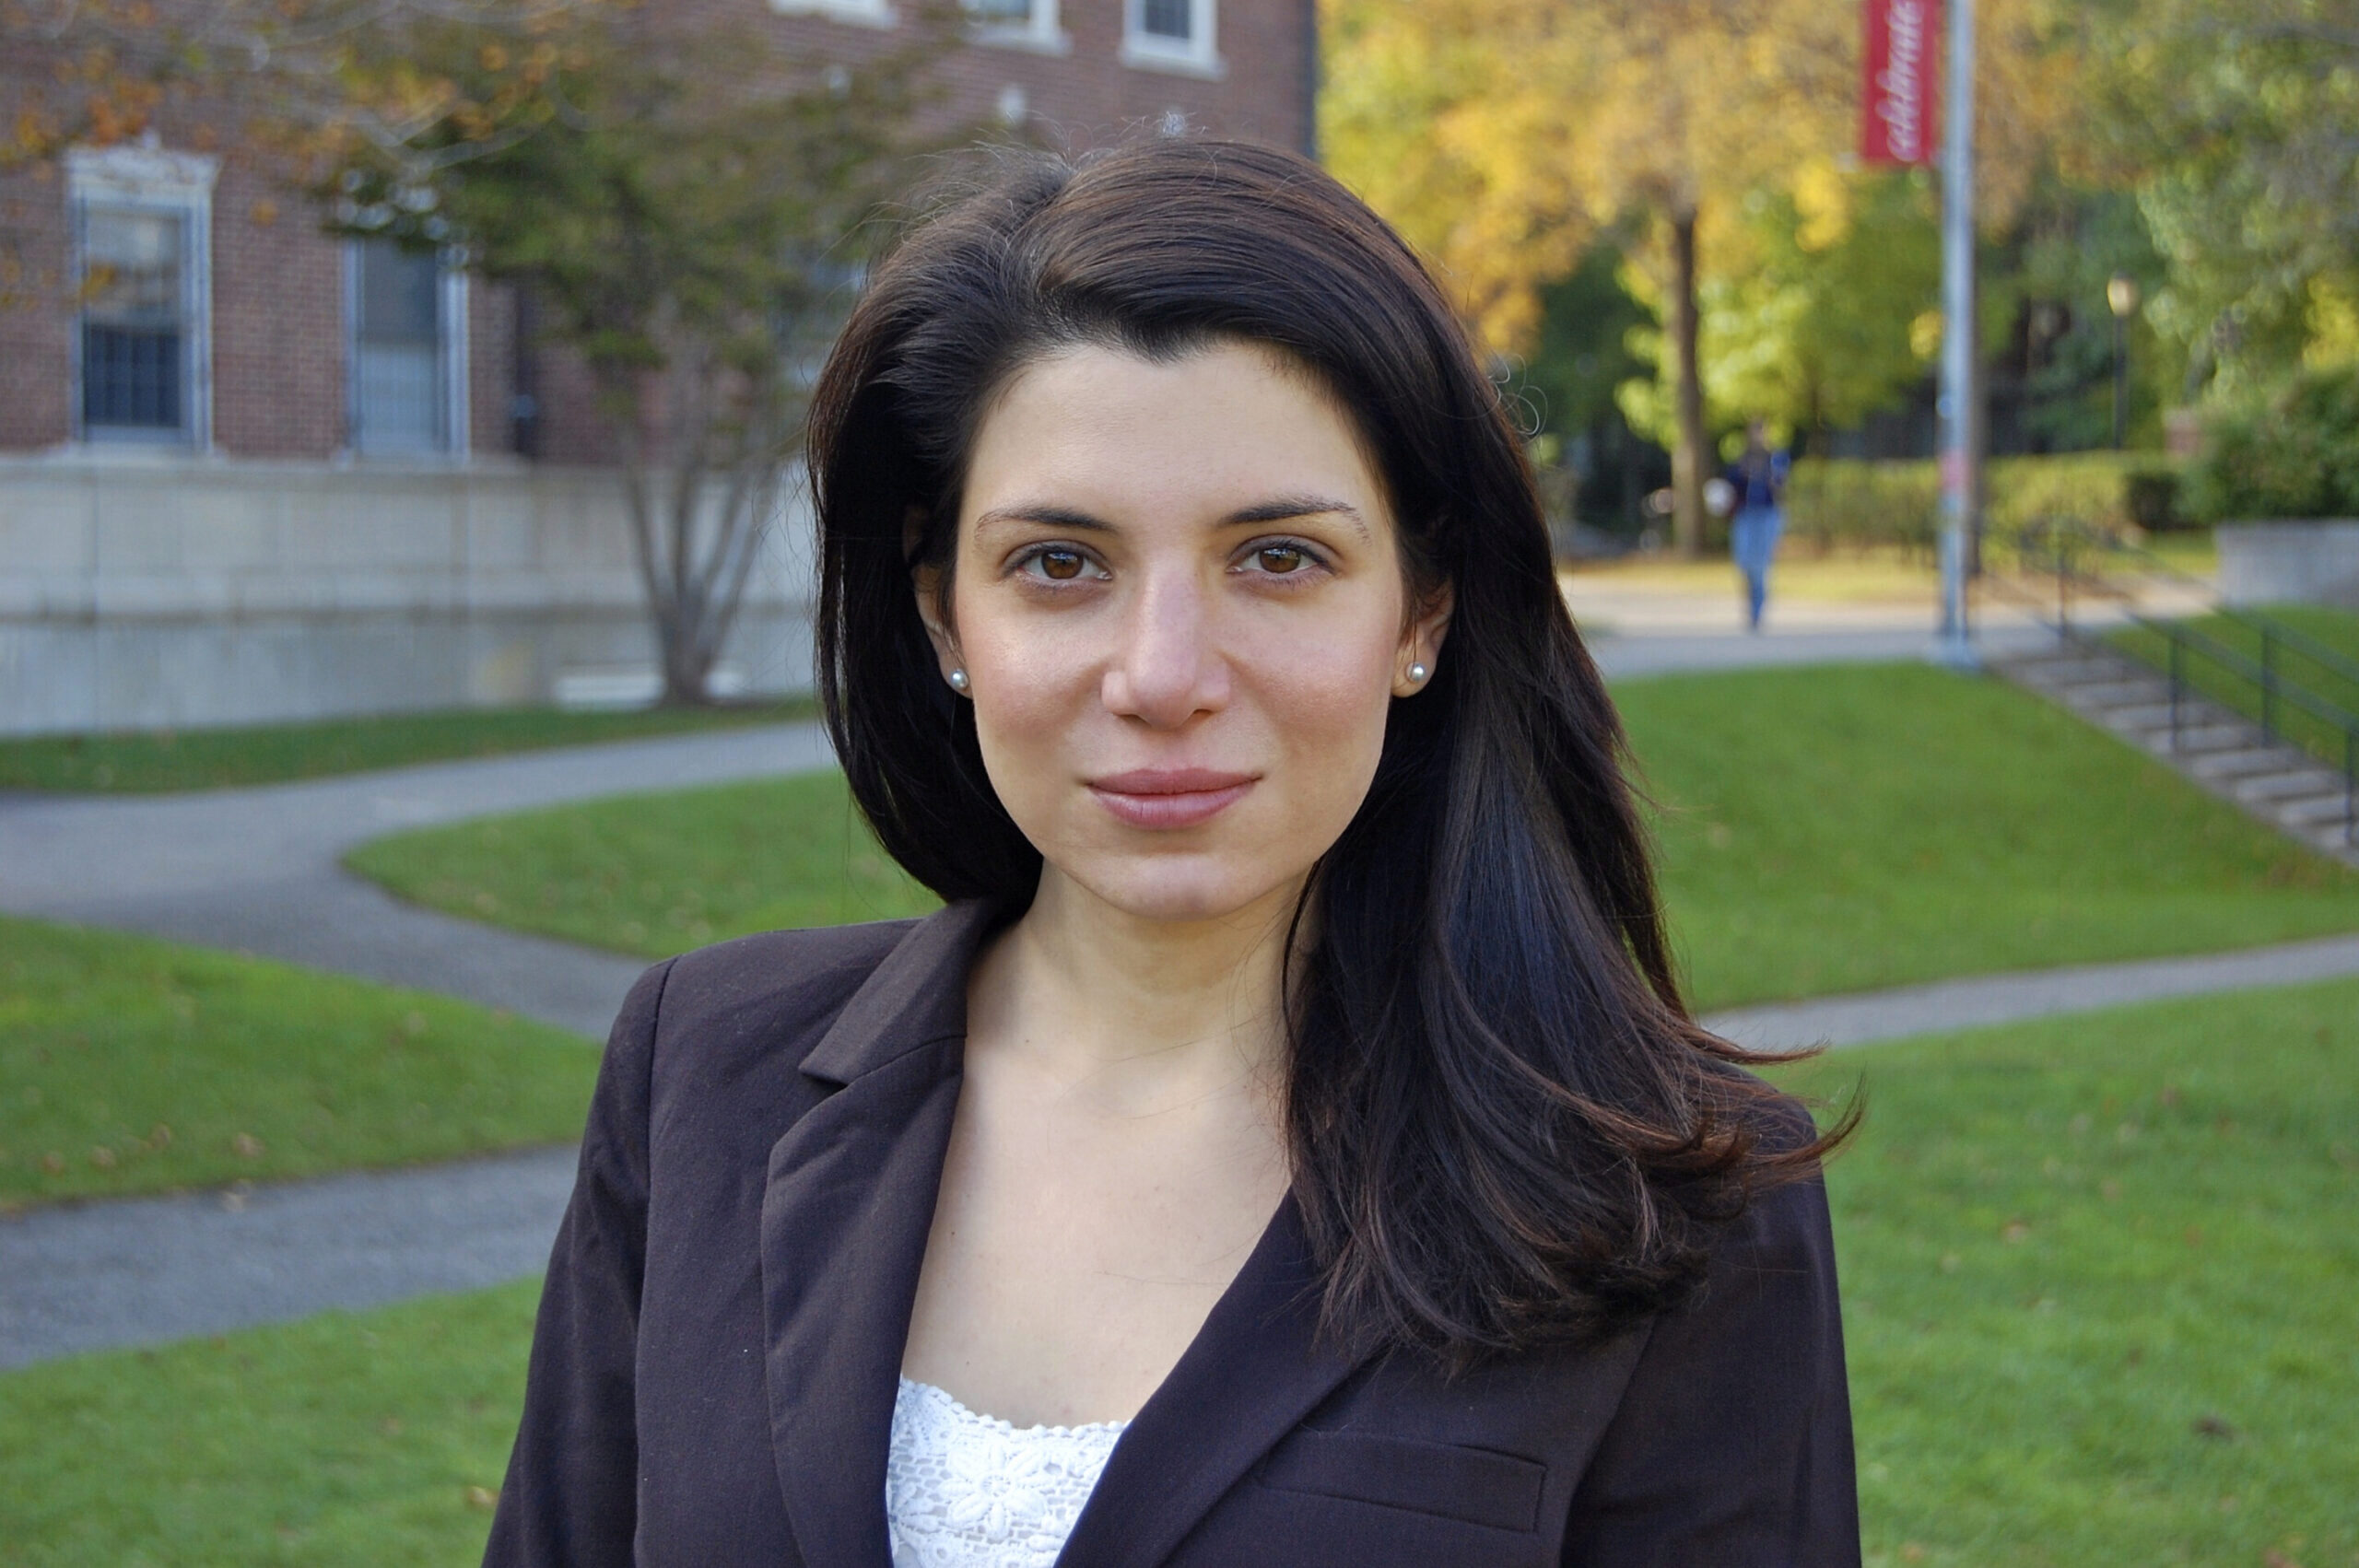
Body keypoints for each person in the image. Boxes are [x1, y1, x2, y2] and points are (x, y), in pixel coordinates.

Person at [485, 139, 1858, 1568]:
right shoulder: (703, 1071)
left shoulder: (1674, 1196)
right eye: (1059, 563)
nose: (1162, 674)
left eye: (1278, 557)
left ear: (1422, 610)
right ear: (945, 612)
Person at [1726, 420, 1791, 631]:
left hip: (1767, 515)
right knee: (1744, 561)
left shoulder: (1775, 459)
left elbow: (1781, 485)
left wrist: (1768, 476)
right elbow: (1731, 484)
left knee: (1762, 564)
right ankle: (1750, 601)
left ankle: (1757, 611)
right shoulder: (1742, 459)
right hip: (1745, 514)